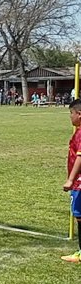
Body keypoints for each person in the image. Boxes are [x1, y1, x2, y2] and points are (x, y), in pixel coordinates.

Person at [62, 99, 81, 262]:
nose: (70, 117)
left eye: (71, 113)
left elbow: (80, 157)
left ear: (79, 114)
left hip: (80, 183)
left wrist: (70, 179)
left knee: (80, 216)